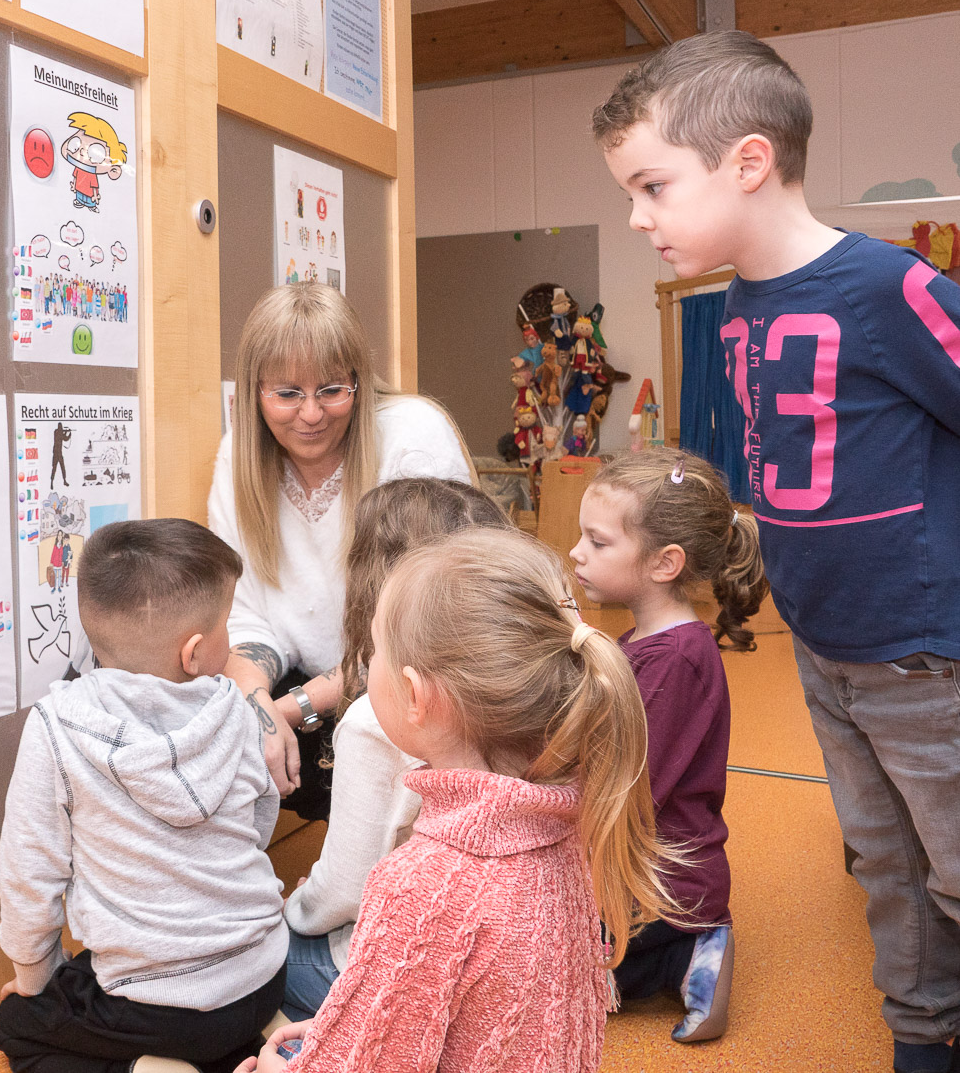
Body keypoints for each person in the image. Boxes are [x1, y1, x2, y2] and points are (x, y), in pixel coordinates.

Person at [593, 30, 960, 1073]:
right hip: (826, 648)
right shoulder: (739, 305)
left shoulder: (888, 288)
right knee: (888, 865)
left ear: (746, 162)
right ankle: (921, 1033)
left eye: (653, 185)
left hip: (925, 653)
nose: (637, 215)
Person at [238, 528, 677, 1073]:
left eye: (374, 650)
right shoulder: (566, 827)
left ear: (417, 697)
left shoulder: (422, 885)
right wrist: (342, 1027)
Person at [0, 519, 288, 1073]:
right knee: (191, 1012)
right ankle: (255, 1042)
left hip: (157, 1005)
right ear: (195, 652)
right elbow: (259, 821)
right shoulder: (234, 708)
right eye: (229, 627)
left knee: (19, 1030)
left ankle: (147, 1068)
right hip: (265, 974)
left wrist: (35, 978)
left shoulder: (58, 726)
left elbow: (29, 870)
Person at [208, 283, 472, 816]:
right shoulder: (239, 455)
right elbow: (243, 615)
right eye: (286, 394)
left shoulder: (412, 436)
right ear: (252, 394)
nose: (310, 415)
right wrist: (258, 704)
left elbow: (427, 627)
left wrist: (292, 708)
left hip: (412, 680)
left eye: (331, 390)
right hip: (304, 683)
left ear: (358, 383)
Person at [282, 478, 510, 1020]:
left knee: (251, 952)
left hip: (391, 982)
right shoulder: (516, 688)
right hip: (483, 968)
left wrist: (294, 908)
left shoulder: (374, 721)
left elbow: (346, 890)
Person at [572, 448, 768, 1043]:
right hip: (636, 866)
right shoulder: (646, 638)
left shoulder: (675, 658)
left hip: (659, 879)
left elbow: (628, 782)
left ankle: (688, 949)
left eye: (598, 542)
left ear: (664, 563)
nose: (577, 553)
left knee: (556, 977)